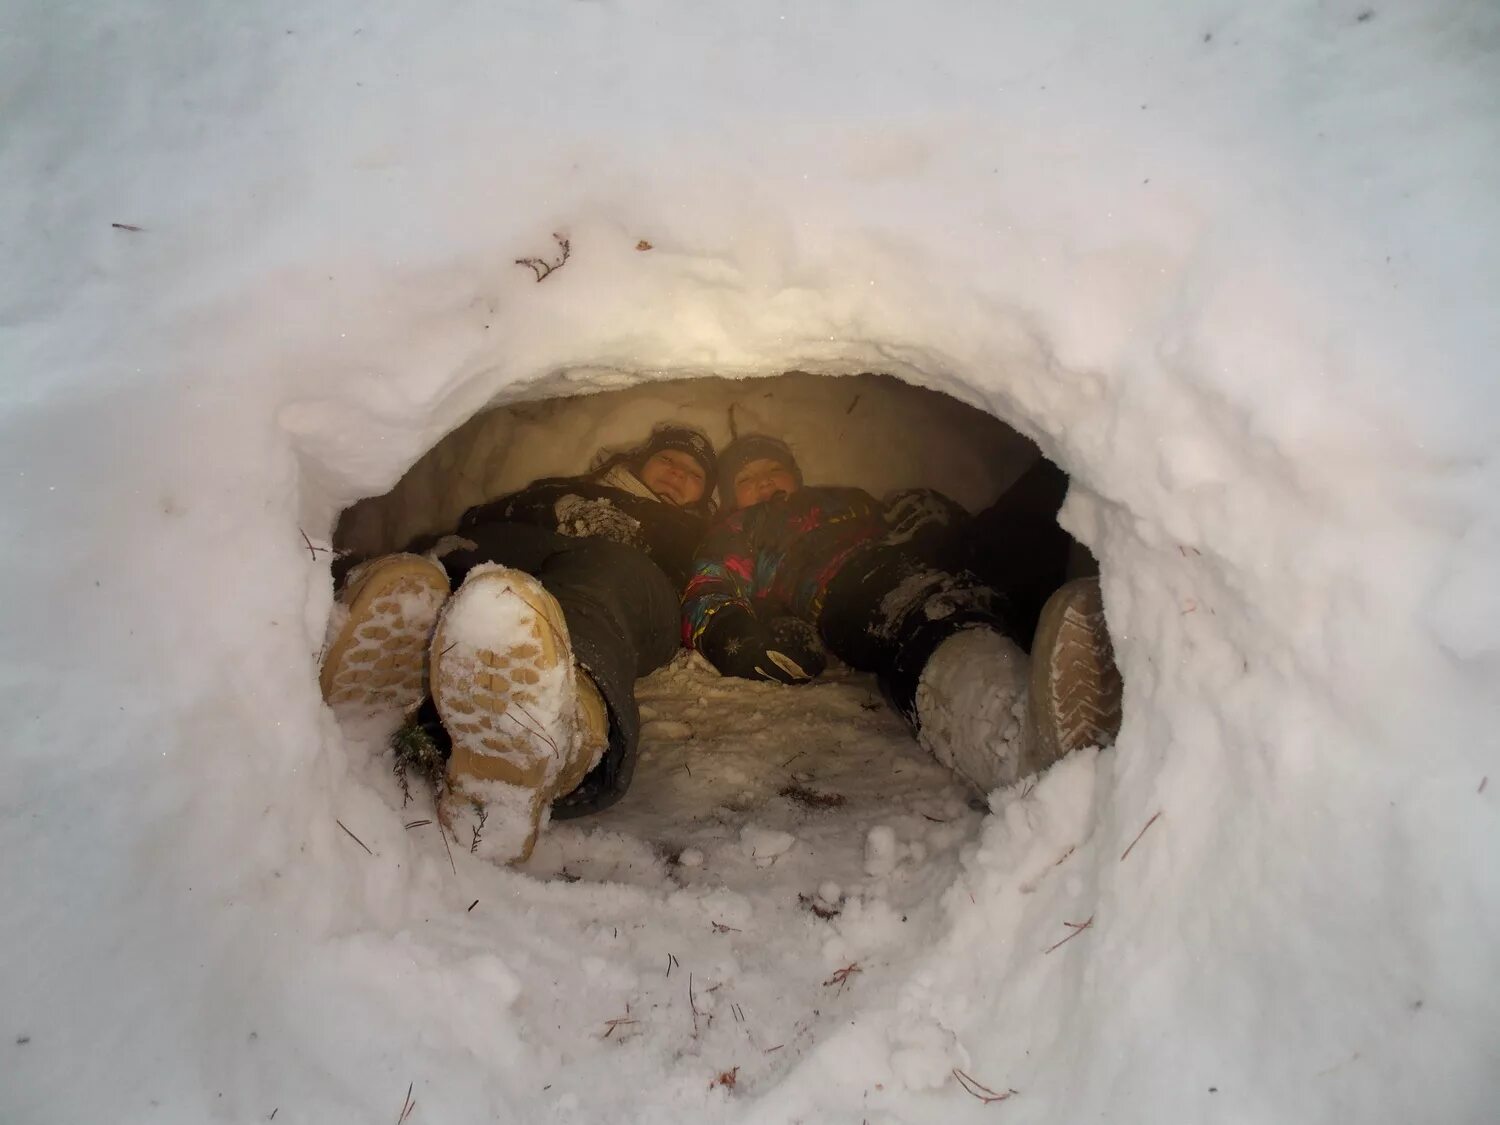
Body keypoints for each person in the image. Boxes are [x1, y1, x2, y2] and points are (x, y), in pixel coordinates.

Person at [321, 423, 717, 862]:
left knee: (599, 581)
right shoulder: (557, 491)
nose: (678, 473)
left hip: (629, 582)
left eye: (694, 473)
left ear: (706, 495)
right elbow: (483, 520)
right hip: (520, 552)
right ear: (639, 459)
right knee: (438, 572)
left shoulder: (698, 530)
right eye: (668, 459)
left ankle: (562, 724)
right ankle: (402, 668)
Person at [682, 434, 1123, 794]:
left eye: (773, 468)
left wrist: (925, 510)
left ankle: (1110, 645)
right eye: (746, 478)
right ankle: (1010, 737)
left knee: (1019, 524)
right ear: (729, 499)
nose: (763, 481)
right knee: (924, 609)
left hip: (924, 555)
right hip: (845, 585)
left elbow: (907, 514)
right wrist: (729, 631)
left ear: (795, 475)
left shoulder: (844, 499)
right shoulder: (744, 528)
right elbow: (711, 582)